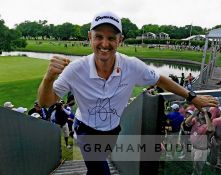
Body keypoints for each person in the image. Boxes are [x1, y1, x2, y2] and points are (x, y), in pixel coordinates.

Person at [38, 11, 218, 175]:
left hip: (113, 130)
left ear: (120, 40)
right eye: (98, 36)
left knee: (96, 167)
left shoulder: (131, 66)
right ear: (89, 38)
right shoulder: (76, 69)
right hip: (86, 129)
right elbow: (46, 102)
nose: (104, 43)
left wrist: (192, 97)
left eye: (111, 37)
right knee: (100, 170)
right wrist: (48, 78)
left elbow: (160, 80)